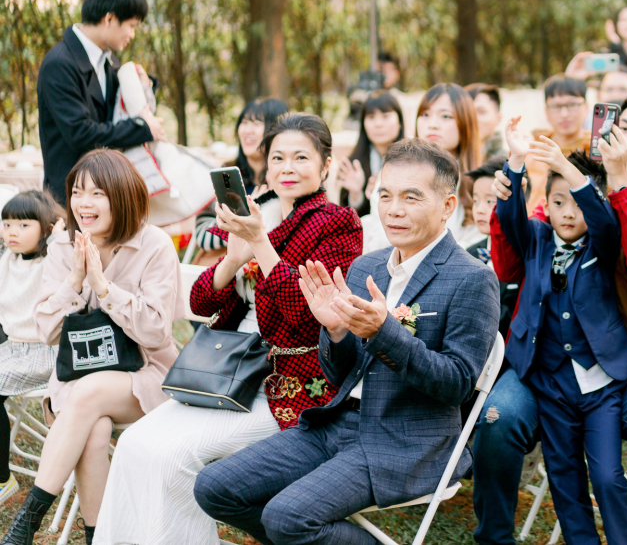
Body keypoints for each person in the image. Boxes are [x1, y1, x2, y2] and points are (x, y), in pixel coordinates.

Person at [192, 139, 501, 545]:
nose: (393, 209)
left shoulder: (472, 279)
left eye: (411, 197)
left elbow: (457, 383)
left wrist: (384, 332)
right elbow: (338, 373)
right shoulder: (366, 266)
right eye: (385, 195)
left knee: (287, 517)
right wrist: (335, 331)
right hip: (334, 422)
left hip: (403, 439)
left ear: (446, 206)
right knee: (214, 487)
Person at [93, 113, 364, 545]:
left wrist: (260, 243)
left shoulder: (338, 223)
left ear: (326, 166)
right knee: (135, 443)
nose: (287, 168)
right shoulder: (260, 212)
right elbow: (201, 303)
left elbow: (305, 312)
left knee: (172, 455)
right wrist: (234, 259)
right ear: (265, 165)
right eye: (278, 158)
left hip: (293, 388)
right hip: (230, 373)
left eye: (301, 158)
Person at [475, 88, 627, 545]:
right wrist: (508, 195)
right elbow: (517, 260)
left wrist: (622, 187)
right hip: (549, 356)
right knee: (499, 415)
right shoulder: (569, 193)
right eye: (625, 128)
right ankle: (494, 538)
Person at [1, 150, 183, 545]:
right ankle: (98, 538)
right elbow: (46, 331)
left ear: (122, 195)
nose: (84, 203)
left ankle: (25, 526)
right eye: (78, 192)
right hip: (80, 374)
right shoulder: (64, 247)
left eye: (97, 193)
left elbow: (155, 333)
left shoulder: (154, 245)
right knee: (95, 430)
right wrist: (75, 280)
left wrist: (104, 288)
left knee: (86, 396)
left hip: (146, 374)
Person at [496, 121, 627, 545]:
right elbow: (509, 218)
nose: (568, 213)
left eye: (575, 202)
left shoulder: (603, 241)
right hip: (549, 381)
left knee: (608, 476)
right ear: (547, 205)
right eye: (558, 202)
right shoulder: (538, 238)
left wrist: (565, 165)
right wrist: (518, 163)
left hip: (598, 384)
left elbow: (598, 211)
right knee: (564, 475)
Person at [37, 0, 168, 206]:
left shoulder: (107, 60)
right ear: (109, 18)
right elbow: (81, 134)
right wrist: (143, 129)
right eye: (131, 26)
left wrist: (145, 85)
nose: (132, 35)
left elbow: (118, 108)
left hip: (104, 192)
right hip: (70, 199)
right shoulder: (59, 64)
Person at [362, 84, 485, 251]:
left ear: (465, 123)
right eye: (425, 115)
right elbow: (379, 238)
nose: (432, 124)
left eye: (446, 116)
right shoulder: (392, 172)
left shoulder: (479, 183)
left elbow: (477, 242)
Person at [0, 191, 62, 505]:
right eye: (7, 223)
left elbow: (64, 245)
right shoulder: (6, 259)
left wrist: (59, 235)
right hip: (11, 348)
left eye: (24, 225)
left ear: (46, 229)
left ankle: (2, 479)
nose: (12, 231)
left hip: (44, 351)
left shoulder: (51, 259)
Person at [194, 97, 290, 257]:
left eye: (257, 123)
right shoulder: (225, 176)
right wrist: (245, 214)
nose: (247, 130)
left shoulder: (289, 178)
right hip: (230, 271)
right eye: (244, 122)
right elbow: (202, 235)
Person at [466, 156, 523, 340]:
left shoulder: (523, 252)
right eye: (475, 201)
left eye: (490, 202)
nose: (480, 210)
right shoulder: (470, 253)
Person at [525, 75, 590, 210]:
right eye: (556, 106)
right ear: (546, 111)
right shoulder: (532, 152)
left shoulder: (596, 150)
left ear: (586, 107)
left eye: (572, 105)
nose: (564, 114)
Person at [336, 91, 405, 217]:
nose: (378, 124)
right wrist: (356, 194)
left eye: (385, 116)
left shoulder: (414, 159)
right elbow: (347, 218)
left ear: (399, 122)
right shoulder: (354, 165)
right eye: (371, 117)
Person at [467, 83, 507, 161]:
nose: (473, 118)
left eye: (481, 112)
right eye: (468, 112)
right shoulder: (450, 159)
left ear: (498, 119)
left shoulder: (508, 164)